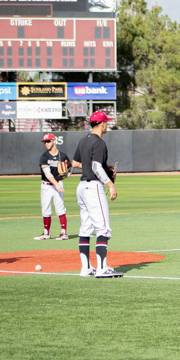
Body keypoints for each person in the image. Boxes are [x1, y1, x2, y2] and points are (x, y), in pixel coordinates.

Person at [71, 111, 121, 277]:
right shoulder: (99, 143)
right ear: (101, 124)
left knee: (86, 228)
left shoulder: (83, 140)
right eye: (106, 122)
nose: (107, 125)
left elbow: (75, 163)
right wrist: (110, 184)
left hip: (82, 188)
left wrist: (91, 166)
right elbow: (96, 167)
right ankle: (101, 268)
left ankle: (86, 268)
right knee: (103, 229)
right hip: (93, 188)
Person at [35, 133, 70, 241]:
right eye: (45, 142)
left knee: (60, 209)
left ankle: (63, 233)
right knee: (46, 210)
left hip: (59, 184)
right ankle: (46, 233)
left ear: (54, 141)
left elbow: (70, 168)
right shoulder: (44, 157)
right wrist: (57, 185)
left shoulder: (63, 156)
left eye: (49, 141)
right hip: (47, 186)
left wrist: (66, 174)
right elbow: (47, 174)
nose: (46, 144)